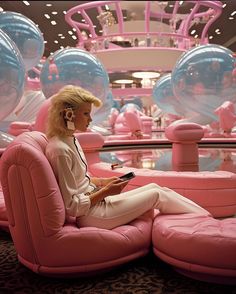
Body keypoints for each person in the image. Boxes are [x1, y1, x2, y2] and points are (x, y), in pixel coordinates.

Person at [45, 85, 210, 230]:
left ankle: (204, 217)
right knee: (157, 196)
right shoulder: (60, 150)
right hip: (92, 215)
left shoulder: (70, 139)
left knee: (156, 187)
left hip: (97, 203)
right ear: (68, 115)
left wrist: (104, 183)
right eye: (86, 113)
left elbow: (81, 181)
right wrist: (106, 192)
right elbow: (72, 206)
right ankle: (207, 222)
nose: (90, 119)